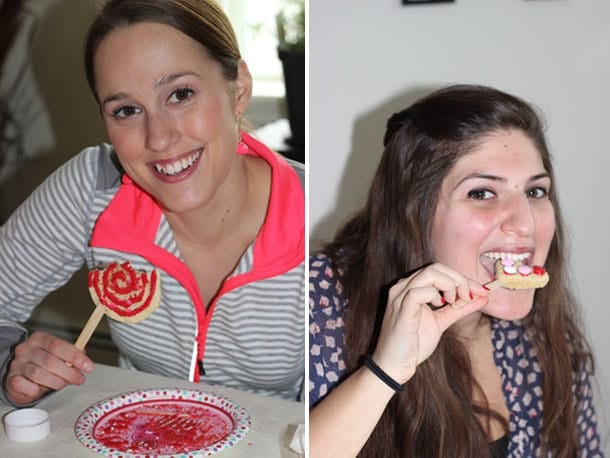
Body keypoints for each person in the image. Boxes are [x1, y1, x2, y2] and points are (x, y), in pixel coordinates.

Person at [0, 0, 305, 407]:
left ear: (239, 88)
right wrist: (10, 366)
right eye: (126, 110)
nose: (158, 138)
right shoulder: (93, 188)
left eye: (180, 94)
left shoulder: (318, 216)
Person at [309, 84, 603, 457]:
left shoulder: (544, 338)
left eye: (535, 192)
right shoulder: (318, 303)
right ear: (412, 212)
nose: (525, 224)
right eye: (482, 193)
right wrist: (383, 372)